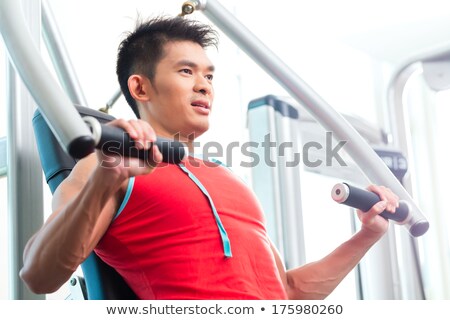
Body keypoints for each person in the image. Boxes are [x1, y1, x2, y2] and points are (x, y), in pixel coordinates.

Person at [20, 16, 399, 299]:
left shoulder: (231, 182)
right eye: (186, 71)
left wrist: (365, 236)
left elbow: (289, 291)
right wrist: (106, 179)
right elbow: (39, 275)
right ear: (141, 86)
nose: (204, 85)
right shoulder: (110, 164)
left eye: (210, 76)